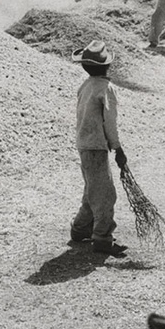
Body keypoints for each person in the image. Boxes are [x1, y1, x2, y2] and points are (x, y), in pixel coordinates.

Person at [70, 40, 129, 257]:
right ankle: (103, 238)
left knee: (92, 190)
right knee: (105, 195)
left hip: (83, 144)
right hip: (96, 146)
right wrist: (118, 149)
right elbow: (109, 123)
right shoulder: (106, 89)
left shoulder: (85, 86)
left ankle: (80, 229)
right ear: (107, 66)